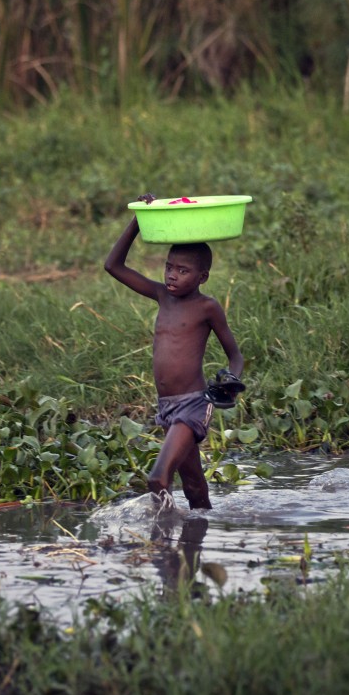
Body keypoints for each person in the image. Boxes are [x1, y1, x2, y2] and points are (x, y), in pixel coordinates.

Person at [105, 217, 244, 509]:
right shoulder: (161, 296)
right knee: (194, 487)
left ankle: (161, 545)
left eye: (183, 271)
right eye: (169, 267)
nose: (172, 275)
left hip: (193, 404)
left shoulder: (207, 307)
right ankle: (197, 536)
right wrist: (136, 223)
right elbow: (113, 266)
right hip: (167, 406)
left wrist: (231, 381)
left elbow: (235, 355)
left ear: (202, 277)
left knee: (158, 478)